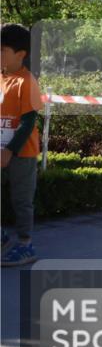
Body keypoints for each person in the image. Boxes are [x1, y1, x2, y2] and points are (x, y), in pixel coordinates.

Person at [1, 24, 43, 267]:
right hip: (1, 149)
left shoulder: (27, 82)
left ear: (21, 54)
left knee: (21, 198)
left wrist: (9, 150)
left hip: (21, 153)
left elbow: (28, 121)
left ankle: (26, 244)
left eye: (2, 50)